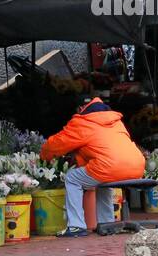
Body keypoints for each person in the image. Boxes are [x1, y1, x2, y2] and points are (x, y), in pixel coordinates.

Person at [39, 95, 146, 238]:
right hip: (137, 166)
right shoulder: (115, 120)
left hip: (109, 167)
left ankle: (76, 226)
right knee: (103, 180)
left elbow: (56, 145)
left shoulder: (83, 122)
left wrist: (43, 157)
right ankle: (108, 224)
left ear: (80, 109)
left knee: (72, 178)